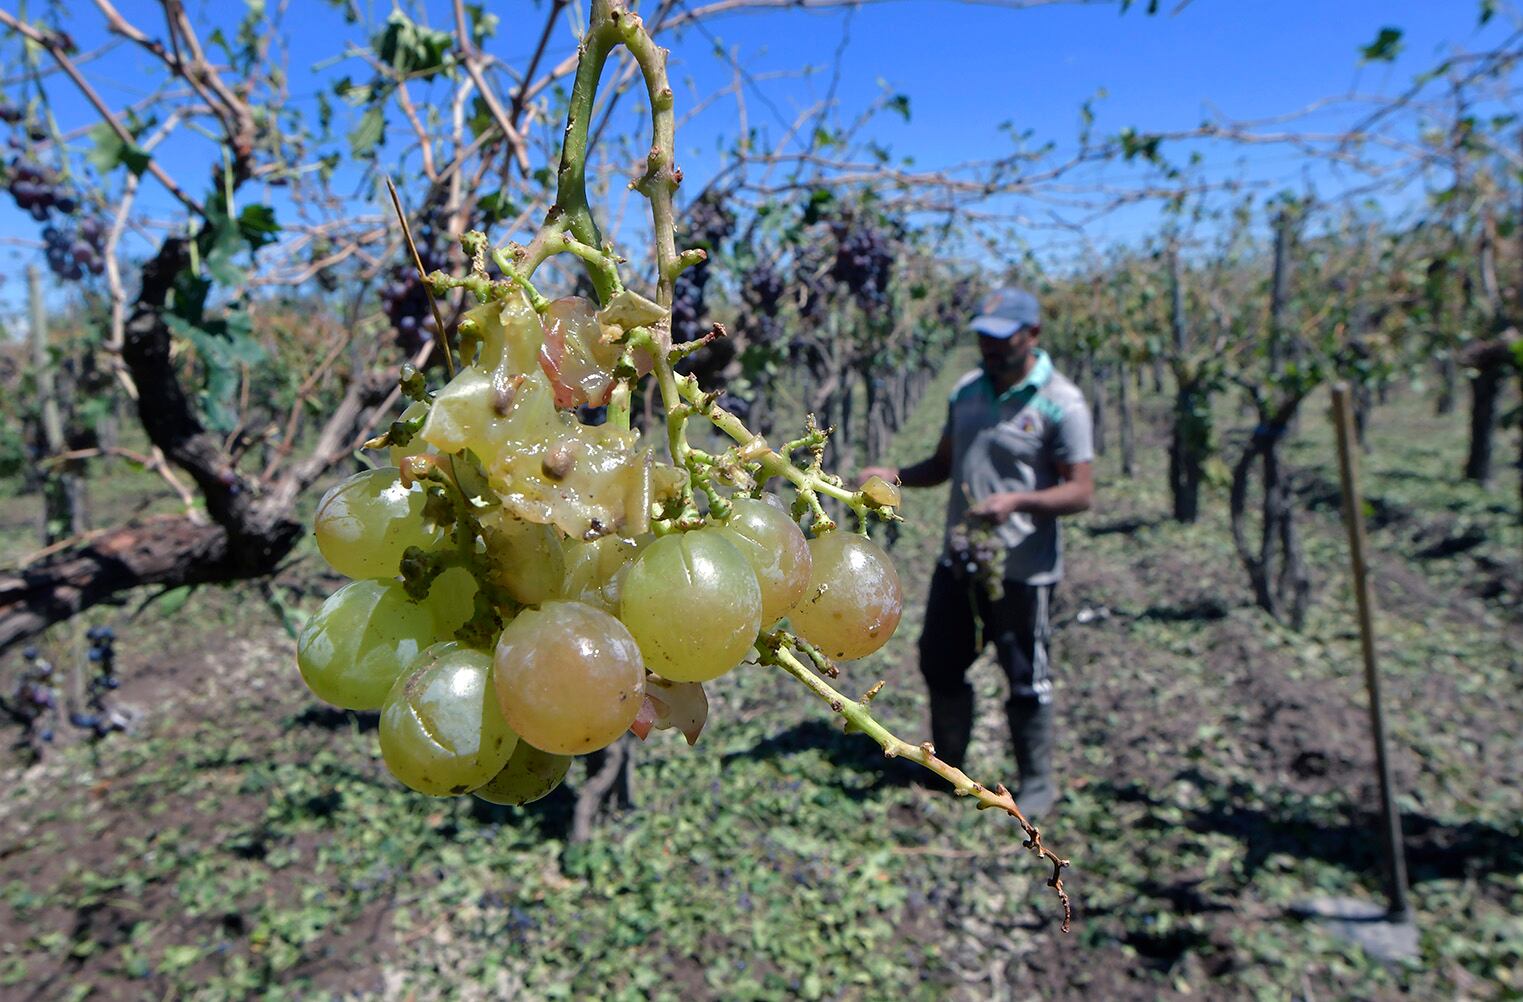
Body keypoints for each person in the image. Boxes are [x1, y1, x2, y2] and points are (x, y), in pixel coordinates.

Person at [859, 287, 1093, 818]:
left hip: (1023, 571)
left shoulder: (1062, 402)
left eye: (1001, 337)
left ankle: (1035, 782)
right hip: (959, 559)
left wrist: (1020, 501)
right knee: (939, 663)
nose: (989, 348)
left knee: (1025, 679)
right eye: (983, 337)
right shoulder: (966, 392)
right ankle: (952, 770)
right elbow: (943, 464)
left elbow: (1081, 491)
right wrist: (892, 477)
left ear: (1032, 334)